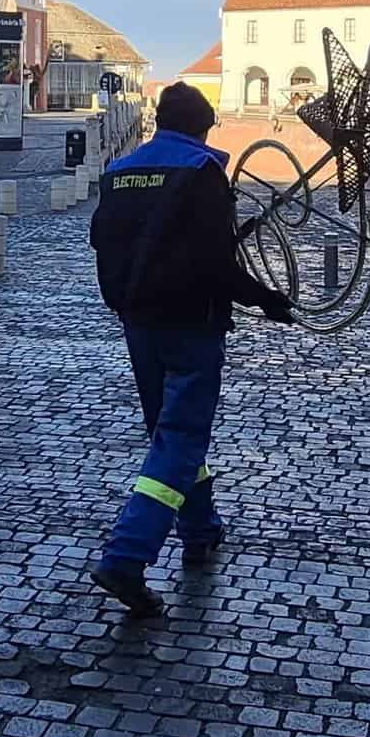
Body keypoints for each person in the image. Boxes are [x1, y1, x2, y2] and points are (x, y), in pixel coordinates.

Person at [87, 81, 293, 615]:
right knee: (179, 438)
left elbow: (106, 240)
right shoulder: (202, 173)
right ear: (200, 127)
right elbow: (217, 266)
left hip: (137, 321)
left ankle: (201, 529)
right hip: (191, 325)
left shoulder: (121, 170)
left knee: (168, 433)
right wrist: (267, 300)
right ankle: (126, 557)